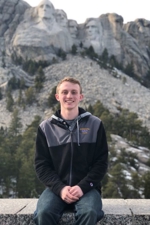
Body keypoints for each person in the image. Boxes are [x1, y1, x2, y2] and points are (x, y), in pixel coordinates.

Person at [33, 76, 108, 225]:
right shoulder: (45, 128)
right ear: (57, 96)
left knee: (90, 212)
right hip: (56, 188)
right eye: (65, 92)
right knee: (43, 213)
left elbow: (101, 163)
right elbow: (41, 165)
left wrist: (82, 187)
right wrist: (60, 189)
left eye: (74, 92)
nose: (69, 96)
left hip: (87, 189)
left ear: (80, 96)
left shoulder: (95, 124)